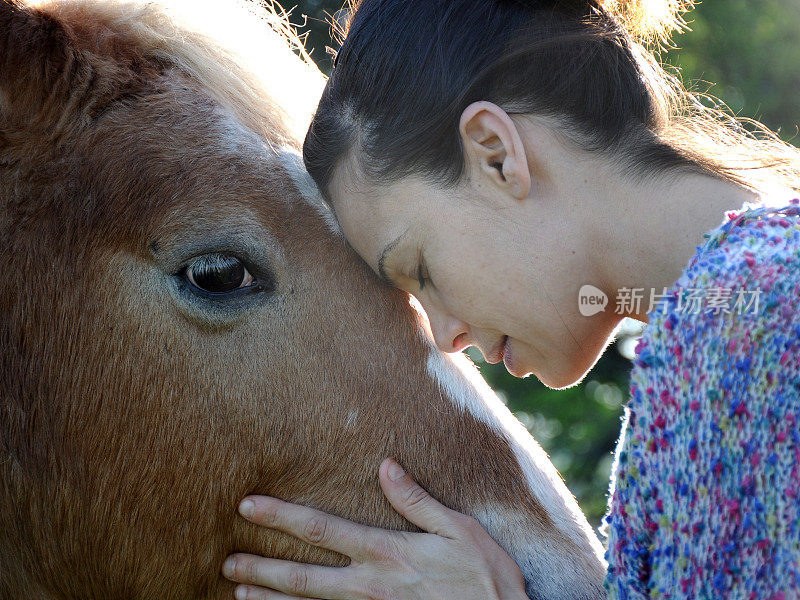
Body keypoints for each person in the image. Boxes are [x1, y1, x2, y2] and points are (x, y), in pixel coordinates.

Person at [221, 0, 800, 597]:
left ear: (496, 153)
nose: (445, 336)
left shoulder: (750, 324)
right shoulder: (736, 307)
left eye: (419, 269)